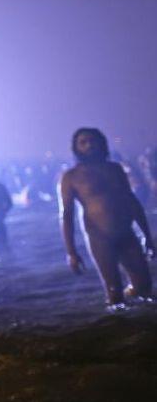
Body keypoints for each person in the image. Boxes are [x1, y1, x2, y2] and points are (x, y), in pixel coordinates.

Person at [60, 128, 155, 308]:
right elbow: (66, 215)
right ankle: (119, 329)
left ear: (101, 143)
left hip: (126, 234)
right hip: (99, 239)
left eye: (93, 140)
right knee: (114, 294)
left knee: (145, 288)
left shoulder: (115, 169)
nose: (89, 145)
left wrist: (147, 237)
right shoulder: (71, 177)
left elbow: (132, 202)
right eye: (83, 142)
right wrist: (71, 253)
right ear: (76, 147)